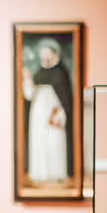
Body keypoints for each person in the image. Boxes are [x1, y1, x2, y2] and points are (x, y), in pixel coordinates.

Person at [23, 41, 74, 186]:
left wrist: (61, 112)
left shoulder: (60, 71)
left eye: (46, 52)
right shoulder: (39, 71)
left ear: (54, 53)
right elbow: (30, 93)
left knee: (55, 142)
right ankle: (40, 174)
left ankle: (56, 173)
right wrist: (27, 79)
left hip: (54, 111)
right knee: (39, 141)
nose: (43, 55)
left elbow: (65, 95)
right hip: (39, 112)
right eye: (42, 53)